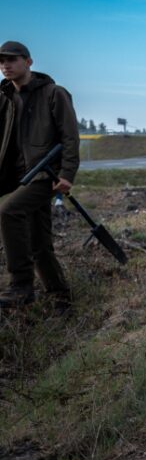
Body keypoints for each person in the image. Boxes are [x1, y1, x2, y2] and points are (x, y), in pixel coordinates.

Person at [0, 41, 79, 310]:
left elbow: (70, 137)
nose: (5, 66)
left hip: (45, 175)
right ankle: (60, 297)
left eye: (11, 60)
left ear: (29, 62)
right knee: (39, 242)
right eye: (1, 62)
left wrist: (67, 173)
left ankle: (21, 285)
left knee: (9, 211)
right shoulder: (5, 97)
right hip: (17, 176)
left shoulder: (54, 94)